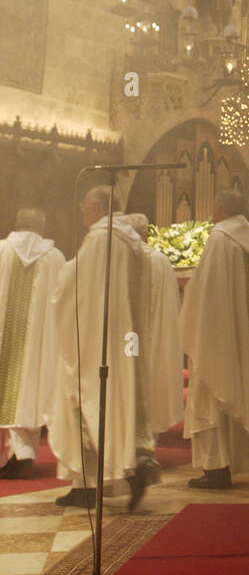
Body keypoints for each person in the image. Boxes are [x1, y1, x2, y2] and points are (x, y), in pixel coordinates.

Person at [51, 187, 155, 509]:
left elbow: (73, 286)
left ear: (96, 208)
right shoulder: (133, 242)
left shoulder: (100, 238)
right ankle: (130, 467)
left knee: (87, 400)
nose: (83, 214)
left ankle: (89, 484)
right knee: (120, 405)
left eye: (84, 208)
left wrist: (56, 285)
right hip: (127, 341)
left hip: (99, 339)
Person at [181, 189, 249, 488]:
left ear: (220, 208)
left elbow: (207, 289)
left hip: (220, 336)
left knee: (216, 393)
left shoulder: (220, 237)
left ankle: (216, 469)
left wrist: (191, 300)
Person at [0, 210, 65, 479]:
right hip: (38, 342)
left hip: (4, 336)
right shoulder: (55, 257)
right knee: (30, 388)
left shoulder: (1, 250)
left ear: (16, 224)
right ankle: (24, 452)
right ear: (43, 226)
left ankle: (5, 458)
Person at [126, 215, 184, 446]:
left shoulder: (119, 259)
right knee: (151, 379)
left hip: (128, 337)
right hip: (153, 336)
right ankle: (148, 440)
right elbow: (171, 307)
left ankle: (129, 440)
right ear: (146, 234)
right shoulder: (160, 261)